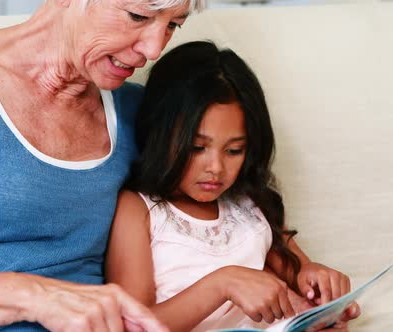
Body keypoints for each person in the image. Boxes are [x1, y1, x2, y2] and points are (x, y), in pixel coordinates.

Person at [0, 0, 203, 330]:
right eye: (138, 16)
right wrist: (38, 297)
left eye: (173, 25)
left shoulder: (137, 110)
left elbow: (218, 215)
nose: (154, 49)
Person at [105, 41, 361, 332]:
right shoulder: (138, 210)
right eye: (197, 147)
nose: (216, 167)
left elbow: (299, 275)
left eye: (234, 151)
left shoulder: (248, 203)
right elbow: (133, 324)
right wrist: (222, 283)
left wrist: (319, 288)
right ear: (160, 134)